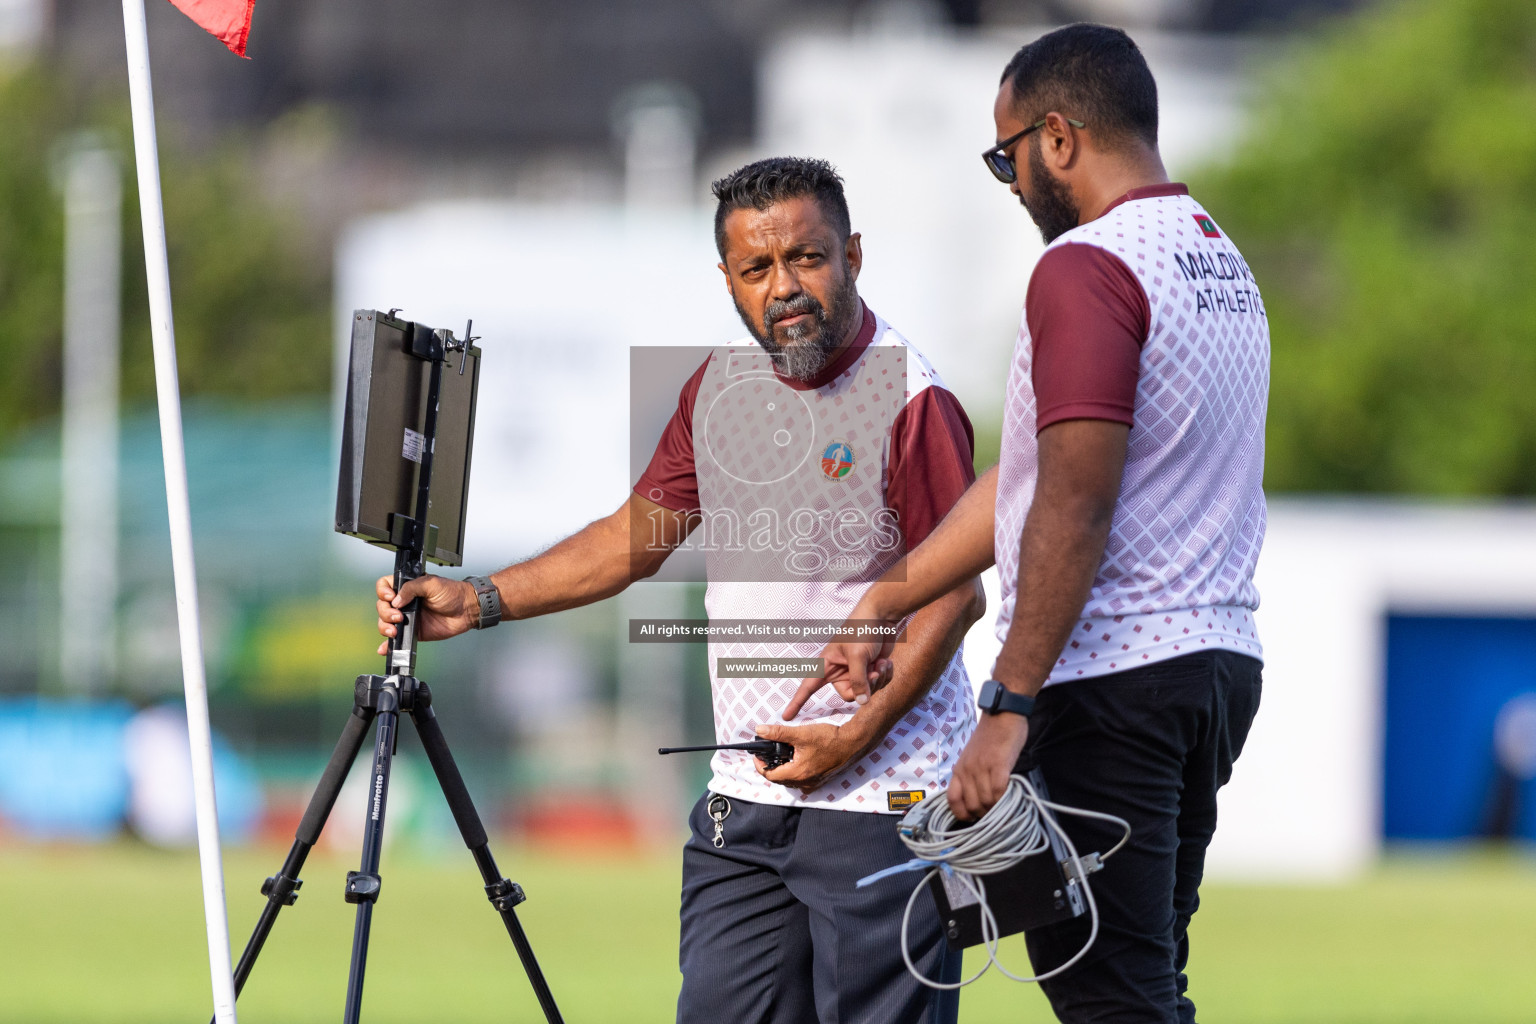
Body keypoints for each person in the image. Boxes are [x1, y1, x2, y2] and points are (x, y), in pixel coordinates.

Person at [375, 156, 983, 1024]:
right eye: (757, 268)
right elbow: (634, 539)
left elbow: (954, 597)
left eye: (807, 258)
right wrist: (480, 601)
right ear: (729, 280)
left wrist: (853, 737)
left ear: (852, 254)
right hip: (747, 799)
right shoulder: (718, 389)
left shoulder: (912, 396)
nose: (785, 287)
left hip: (882, 803)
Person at [794, 24, 1269, 1024]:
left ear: (1057, 139)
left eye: (1003, 154)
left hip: (1116, 680)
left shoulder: (1087, 267)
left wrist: (1008, 701)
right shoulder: (1216, 257)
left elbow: (1075, 499)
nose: (1007, 181)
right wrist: (891, 595)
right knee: (1136, 978)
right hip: (1212, 666)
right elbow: (1041, 470)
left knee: (1111, 995)